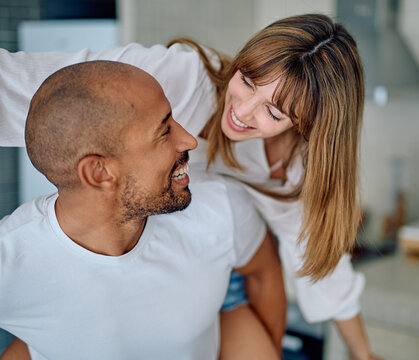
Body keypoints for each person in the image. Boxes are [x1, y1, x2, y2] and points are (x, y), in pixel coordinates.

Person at [0, 14, 380, 359]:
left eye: (273, 111)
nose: (242, 111)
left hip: (218, 269)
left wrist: (361, 352)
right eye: (247, 81)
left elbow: (316, 257)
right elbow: (24, 92)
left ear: (308, 123)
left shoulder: (293, 167)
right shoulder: (176, 78)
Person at [0, 61, 285, 359]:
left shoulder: (220, 206)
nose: (189, 140)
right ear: (99, 173)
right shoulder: (11, 263)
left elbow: (265, 273)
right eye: (164, 132)